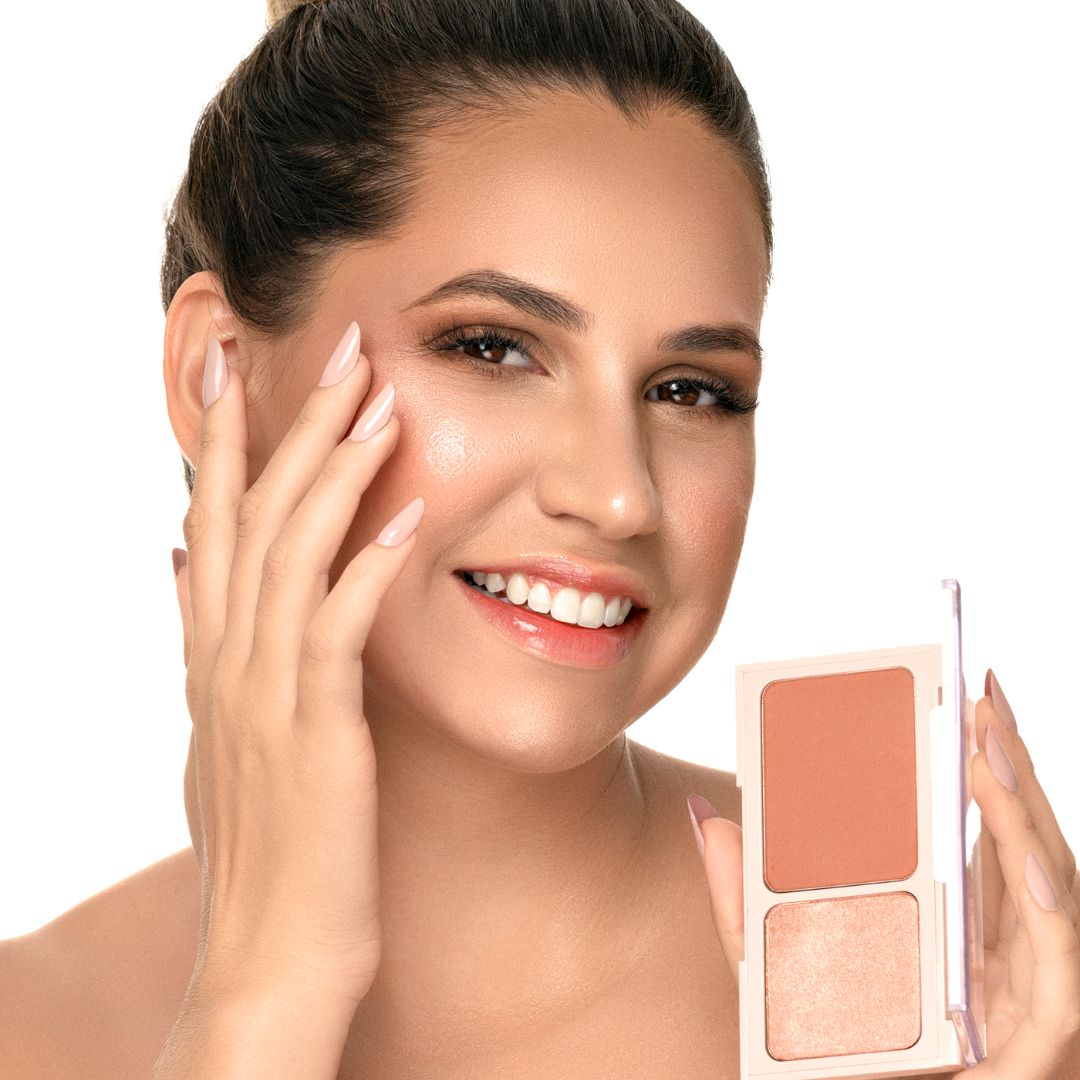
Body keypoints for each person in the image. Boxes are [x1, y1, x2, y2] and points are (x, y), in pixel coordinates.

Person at [3, 0, 1078, 1076]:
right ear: (219, 374)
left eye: (690, 389)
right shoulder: (32, 1028)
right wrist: (261, 997)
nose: (619, 496)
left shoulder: (958, 999)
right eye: (492, 347)